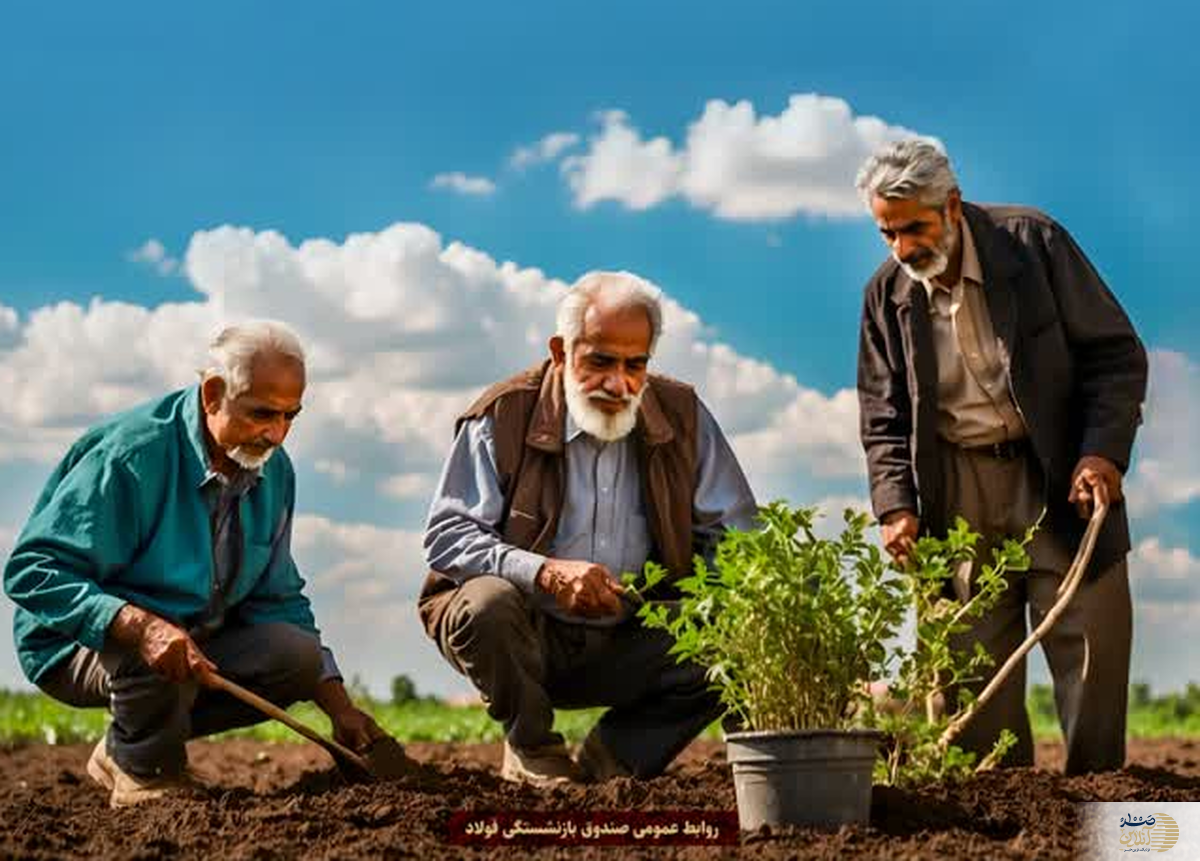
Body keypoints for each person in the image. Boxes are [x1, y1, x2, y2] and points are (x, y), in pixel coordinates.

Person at [4, 320, 392, 807]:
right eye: (262, 414)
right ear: (213, 395)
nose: (276, 434)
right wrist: (138, 626)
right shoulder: (131, 455)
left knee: (296, 656)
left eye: (291, 416)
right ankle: (145, 776)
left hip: (187, 640)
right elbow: (32, 568)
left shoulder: (272, 470)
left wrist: (342, 709)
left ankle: (128, 742)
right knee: (156, 650)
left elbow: (279, 599)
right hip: (77, 643)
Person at [854, 140, 1148, 774]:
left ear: (953, 205)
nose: (902, 248)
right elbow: (882, 417)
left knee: (1090, 646)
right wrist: (895, 506)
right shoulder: (886, 296)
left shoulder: (1034, 244)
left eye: (914, 228)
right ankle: (990, 821)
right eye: (887, 233)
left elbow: (1116, 356)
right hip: (954, 488)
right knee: (963, 668)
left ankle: (1111, 823)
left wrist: (1102, 454)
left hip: (1056, 474)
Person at [419, 271, 757, 785]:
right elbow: (447, 535)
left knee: (736, 628)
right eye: (599, 360)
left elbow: (738, 542)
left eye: (634, 364)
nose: (618, 382)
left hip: (630, 637)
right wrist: (545, 572)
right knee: (485, 604)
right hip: (523, 637)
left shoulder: (684, 416)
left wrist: (696, 606)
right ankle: (533, 749)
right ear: (560, 351)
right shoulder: (503, 412)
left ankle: (618, 755)